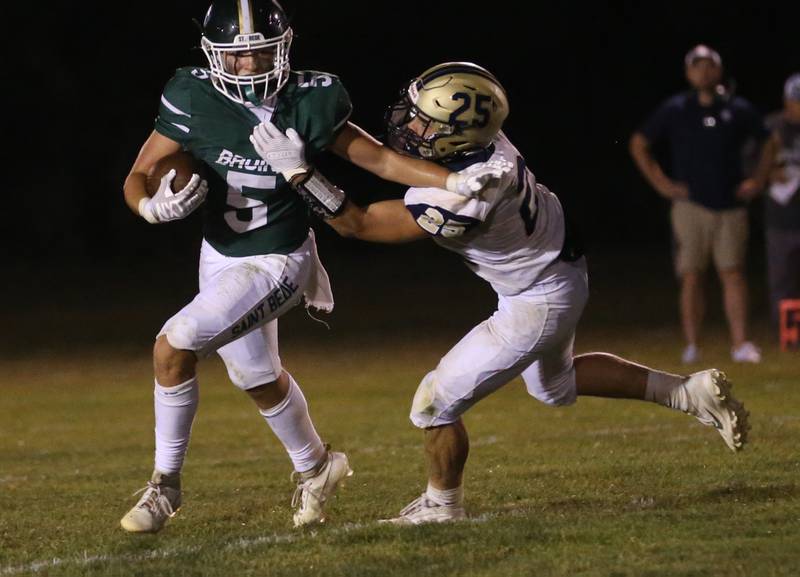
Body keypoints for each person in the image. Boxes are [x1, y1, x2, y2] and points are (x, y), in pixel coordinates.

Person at [249, 61, 751, 526]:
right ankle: (687, 391)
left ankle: (442, 506)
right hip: (558, 271)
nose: (409, 125)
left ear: (458, 135)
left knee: (432, 403)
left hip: (538, 297)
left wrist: (300, 174)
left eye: (425, 122)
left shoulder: (465, 194)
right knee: (552, 388)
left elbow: (358, 224)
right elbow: (383, 161)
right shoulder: (483, 154)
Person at [120, 1, 504, 533]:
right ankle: (318, 467)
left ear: (282, 49)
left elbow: (378, 158)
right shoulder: (191, 94)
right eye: (237, 57)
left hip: (280, 257)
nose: (250, 66)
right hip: (219, 255)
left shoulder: (312, 96)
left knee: (174, 345)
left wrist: (452, 181)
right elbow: (140, 172)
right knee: (256, 376)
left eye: (259, 53)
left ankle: (165, 486)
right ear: (213, 56)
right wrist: (149, 205)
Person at [629, 45, 768, 365]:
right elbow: (639, 143)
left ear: (718, 71)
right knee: (692, 275)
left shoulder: (737, 108)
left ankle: (740, 343)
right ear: (689, 73)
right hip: (691, 205)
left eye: (709, 66)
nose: (704, 72)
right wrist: (661, 183)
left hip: (730, 204)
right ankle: (692, 345)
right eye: (697, 66)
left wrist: (758, 180)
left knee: (732, 272)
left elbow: (768, 141)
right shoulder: (676, 109)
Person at [749, 73, 800, 325]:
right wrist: (768, 173)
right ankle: (786, 332)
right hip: (780, 217)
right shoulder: (770, 127)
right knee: (781, 279)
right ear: (786, 100)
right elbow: (748, 165)